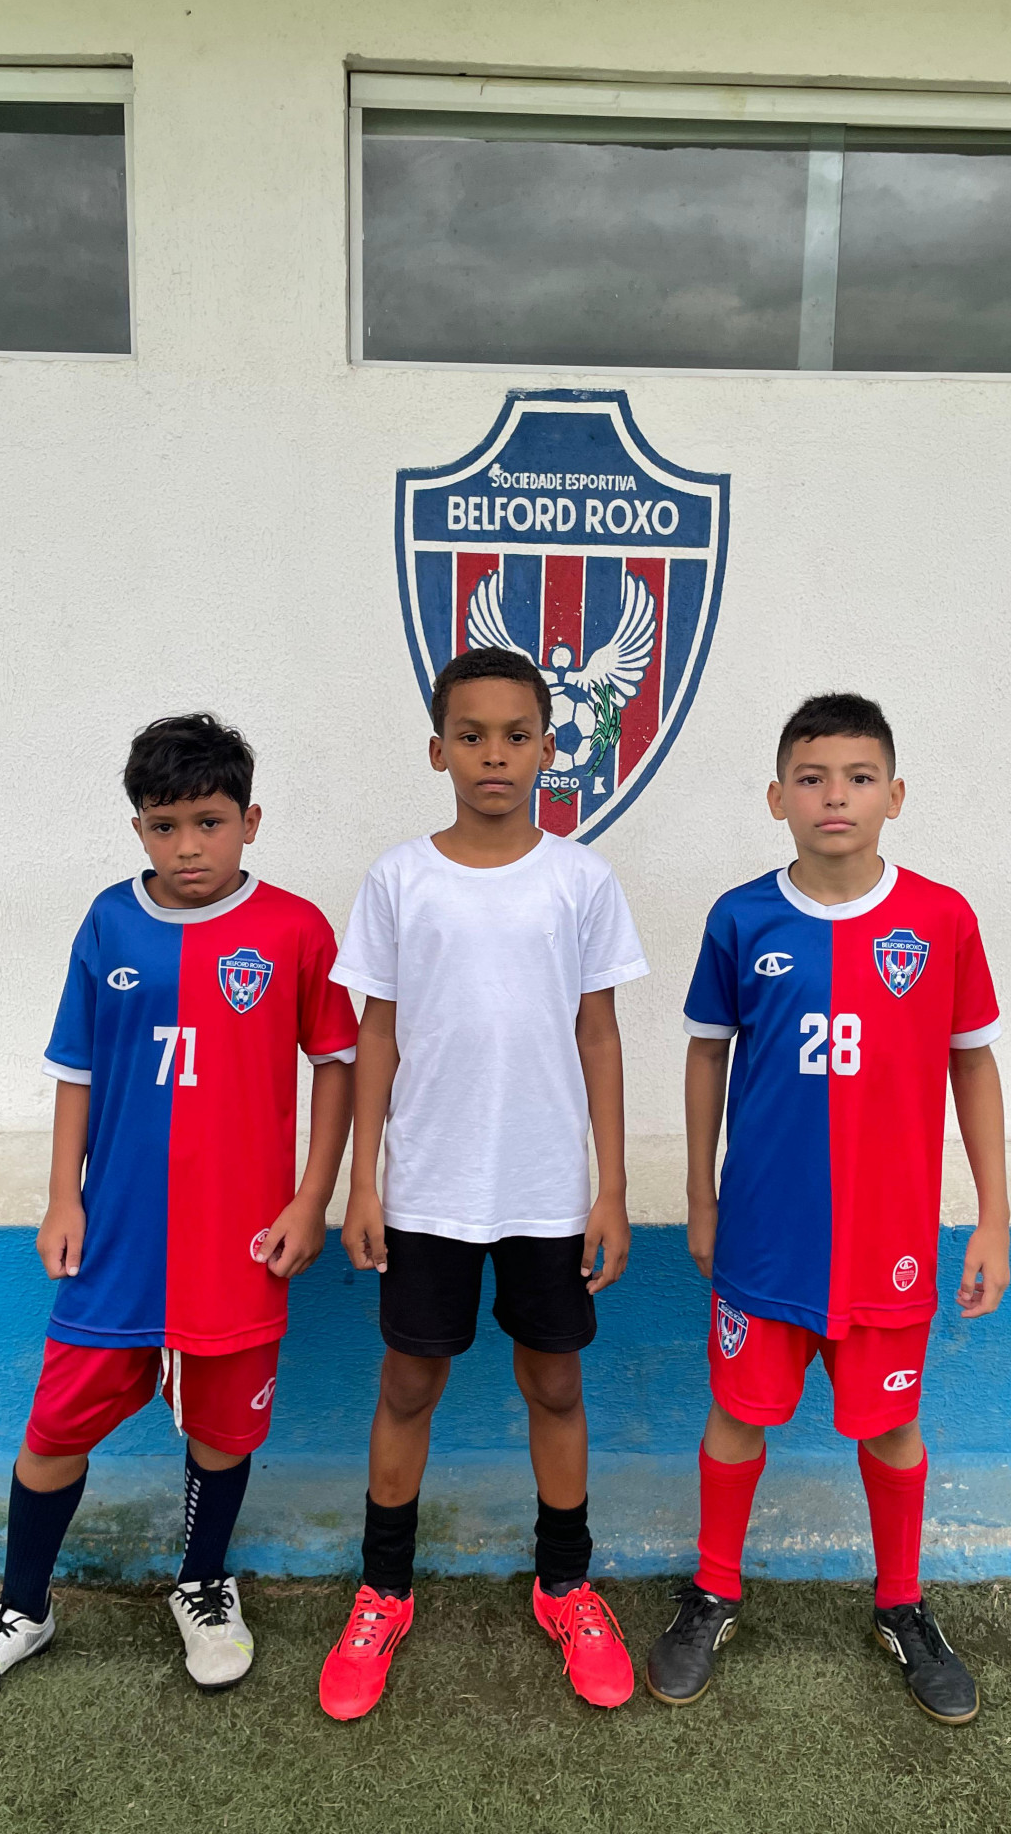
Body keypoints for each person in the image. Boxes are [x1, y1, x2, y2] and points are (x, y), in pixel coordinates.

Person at [0, 713, 357, 1718]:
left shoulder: (294, 929)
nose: (187, 847)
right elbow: (77, 1071)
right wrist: (62, 1194)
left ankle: (201, 1582)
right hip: (116, 1236)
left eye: (208, 822)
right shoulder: (108, 922)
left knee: (221, 1434)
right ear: (138, 828)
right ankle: (23, 1609)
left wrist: (310, 1197)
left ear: (251, 821)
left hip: (241, 1239)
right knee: (54, 1430)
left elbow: (336, 1065)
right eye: (162, 826)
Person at [645, 692, 1008, 1726]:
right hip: (765, 1238)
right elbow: (707, 1055)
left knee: (890, 1428)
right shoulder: (741, 918)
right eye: (811, 777)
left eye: (856, 777)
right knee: (737, 1416)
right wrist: (700, 1196)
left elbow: (972, 1067)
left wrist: (993, 1214)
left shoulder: (940, 920)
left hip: (890, 1248)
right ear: (777, 797)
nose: (833, 795)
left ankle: (902, 1606)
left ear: (895, 795)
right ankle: (714, 1591)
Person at [317, 646, 649, 1721]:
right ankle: (383, 1589)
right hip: (426, 1191)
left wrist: (610, 1188)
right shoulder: (399, 878)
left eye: (516, 735)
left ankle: (565, 1585)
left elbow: (599, 1036)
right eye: (472, 735)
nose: (494, 754)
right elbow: (376, 1035)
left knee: (553, 1383)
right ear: (437, 750)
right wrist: (363, 1185)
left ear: (550, 750)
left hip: (548, 1188)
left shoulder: (581, 879)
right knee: (409, 1385)